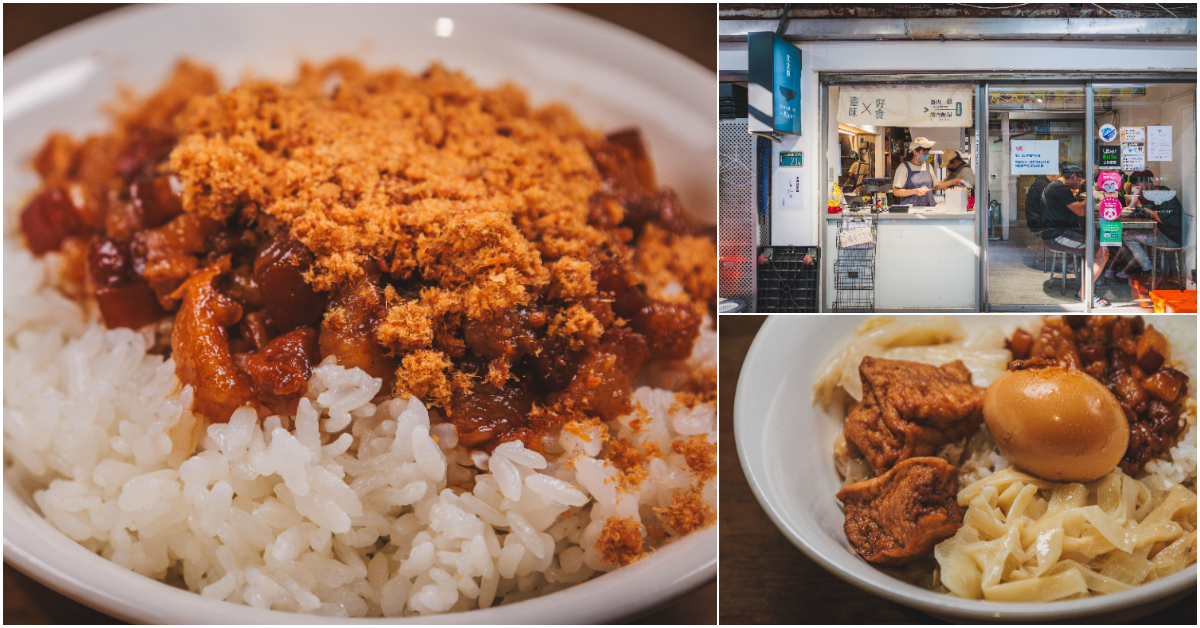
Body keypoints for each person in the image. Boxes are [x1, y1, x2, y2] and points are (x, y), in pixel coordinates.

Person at [1041, 164, 1110, 306]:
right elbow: (1081, 211)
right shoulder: (1060, 189)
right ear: (1073, 176)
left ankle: (1086, 285)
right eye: (1080, 179)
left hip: (1058, 232)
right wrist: (1091, 195)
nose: (1080, 182)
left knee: (1098, 247)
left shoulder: (1055, 186)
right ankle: (1084, 293)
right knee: (1101, 252)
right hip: (1057, 236)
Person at [1110, 169, 1183, 278]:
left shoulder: (1164, 194)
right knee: (1125, 233)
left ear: (1148, 185)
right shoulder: (1147, 195)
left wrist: (1141, 206)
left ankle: (1147, 269)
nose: (1135, 187)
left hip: (1171, 238)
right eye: (1134, 185)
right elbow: (1133, 210)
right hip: (1160, 233)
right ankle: (1137, 267)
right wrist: (1129, 195)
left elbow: (1160, 217)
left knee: (1127, 236)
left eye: (1137, 185)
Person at [891, 137, 961, 207]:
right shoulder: (903, 167)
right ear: (915, 152)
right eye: (924, 153)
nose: (926, 155)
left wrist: (953, 181)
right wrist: (915, 191)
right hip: (911, 210)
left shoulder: (928, 166)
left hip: (928, 209)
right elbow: (896, 192)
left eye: (927, 153)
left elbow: (935, 186)